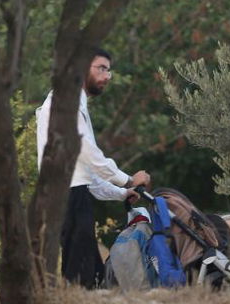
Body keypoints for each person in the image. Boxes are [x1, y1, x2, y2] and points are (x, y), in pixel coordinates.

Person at [35, 48, 150, 287]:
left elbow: (85, 172)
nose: (107, 76)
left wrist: (121, 193)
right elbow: (88, 154)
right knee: (81, 273)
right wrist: (127, 180)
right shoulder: (64, 102)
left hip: (73, 193)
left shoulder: (74, 101)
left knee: (90, 271)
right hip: (67, 195)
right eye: (101, 68)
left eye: (109, 70)